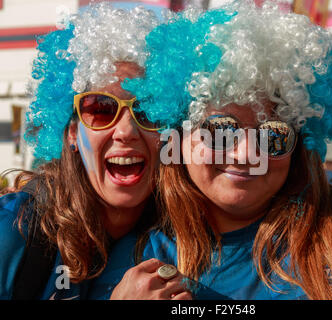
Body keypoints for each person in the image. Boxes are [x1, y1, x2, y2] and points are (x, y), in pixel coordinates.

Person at [110, 1, 332, 300]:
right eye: (221, 130)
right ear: (181, 132)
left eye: (274, 134)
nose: (248, 153)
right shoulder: (136, 258)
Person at [0, 3, 190, 300]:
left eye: (149, 111)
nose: (126, 131)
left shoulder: (180, 237)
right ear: (73, 132)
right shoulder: (13, 231)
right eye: (101, 109)